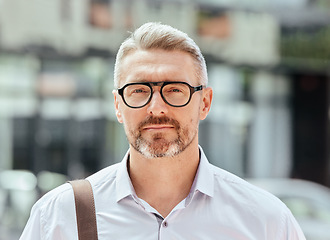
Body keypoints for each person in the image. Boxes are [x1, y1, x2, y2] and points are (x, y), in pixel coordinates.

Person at [20, 22, 306, 239]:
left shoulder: (265, 221)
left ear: (204, 103)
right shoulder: (59, 216)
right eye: (139, 90)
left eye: (175, 90)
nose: (156, 107)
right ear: (118, 105)